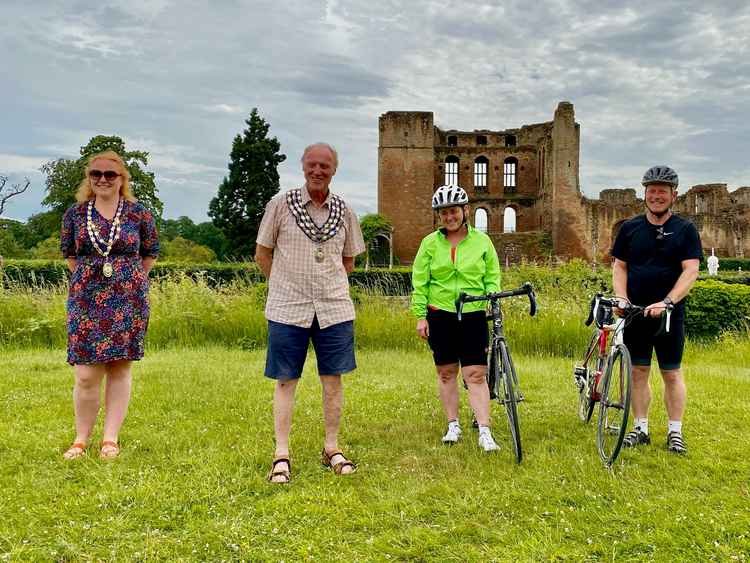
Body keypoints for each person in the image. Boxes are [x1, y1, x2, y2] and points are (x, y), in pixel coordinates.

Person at [255, 142, 365, 484]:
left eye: (325, 166)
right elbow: (262, 254)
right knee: (286, 380)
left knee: (333, 380)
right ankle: (282, 454)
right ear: (303, 166)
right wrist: (285, 285)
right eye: (312, 164)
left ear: (334, 169)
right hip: (288, 308)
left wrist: (326, 285)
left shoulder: (344, 210)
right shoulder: (281, 205)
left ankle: (331, 447)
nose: (318, 171)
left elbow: (349, 259)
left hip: (333, 308)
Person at [60, 150, 159, 460]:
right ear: (89, 178)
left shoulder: (139, 214)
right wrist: (91, 281)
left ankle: (110, 439)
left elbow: (150, 251)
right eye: (96, 174)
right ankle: (80, 439)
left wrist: (130, 280)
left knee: (119, 367)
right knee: (86, 374)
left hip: (128, 300)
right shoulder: (75, 215)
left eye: (110, 174)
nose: (102, 179)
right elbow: (68, 254)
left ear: (122, 179)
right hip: (86, 300)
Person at [611, 165, 702, 454]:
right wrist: (621, 298)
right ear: (645, 194)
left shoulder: (685, 230)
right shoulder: (630, 228)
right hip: (636, 313)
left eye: (663, 191)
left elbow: (691, 270)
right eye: (652, 191)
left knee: (671, 373)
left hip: (669, 314)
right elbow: (620, 266)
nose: (657, 196)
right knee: (638, 371)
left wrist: (668, 302)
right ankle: (641, 428)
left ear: (673, 195)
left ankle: (675, 431)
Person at [411, 184, 502, 452]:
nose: (449, 217)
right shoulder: (429, 243)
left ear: (465, 211)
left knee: (475, 374)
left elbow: (492, 276)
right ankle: (453, 424)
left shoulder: (482, 241)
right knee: (446, 372)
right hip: (440, 314)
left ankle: (484, 430)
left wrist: (491, 298)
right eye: (443, 213)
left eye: (453, 211)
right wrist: (420, 315)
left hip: (473, 312)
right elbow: (420, 282)